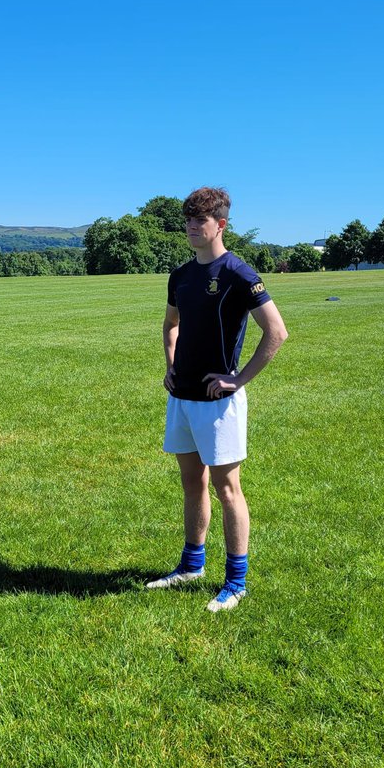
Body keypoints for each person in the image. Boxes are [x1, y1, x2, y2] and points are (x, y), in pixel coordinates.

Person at [146, 187, 288, 610]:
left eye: (200, 221)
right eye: (188, 220)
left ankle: (236, 583)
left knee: (228, 489)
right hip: (182, 397)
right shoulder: (180, 276)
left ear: (221, 225)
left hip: (218, 403)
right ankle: (191, 566)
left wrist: (238, 379)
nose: (192, 227)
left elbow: (277, 332)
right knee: (192, 483)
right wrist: (171, 366)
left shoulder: (238, 274)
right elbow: (171, 324)